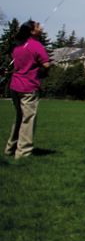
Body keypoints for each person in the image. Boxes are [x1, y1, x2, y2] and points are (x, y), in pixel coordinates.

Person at [5, 20, 50, 159]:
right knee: (28, 119)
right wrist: (41, 72)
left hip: (14, 86)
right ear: (32, 31)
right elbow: (46, 64)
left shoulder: (18, 46)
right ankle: (23, 152)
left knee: (19, 117)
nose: (40, 26)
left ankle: (10, 149)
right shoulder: (36, 46)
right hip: (28, 87)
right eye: (37, 25)